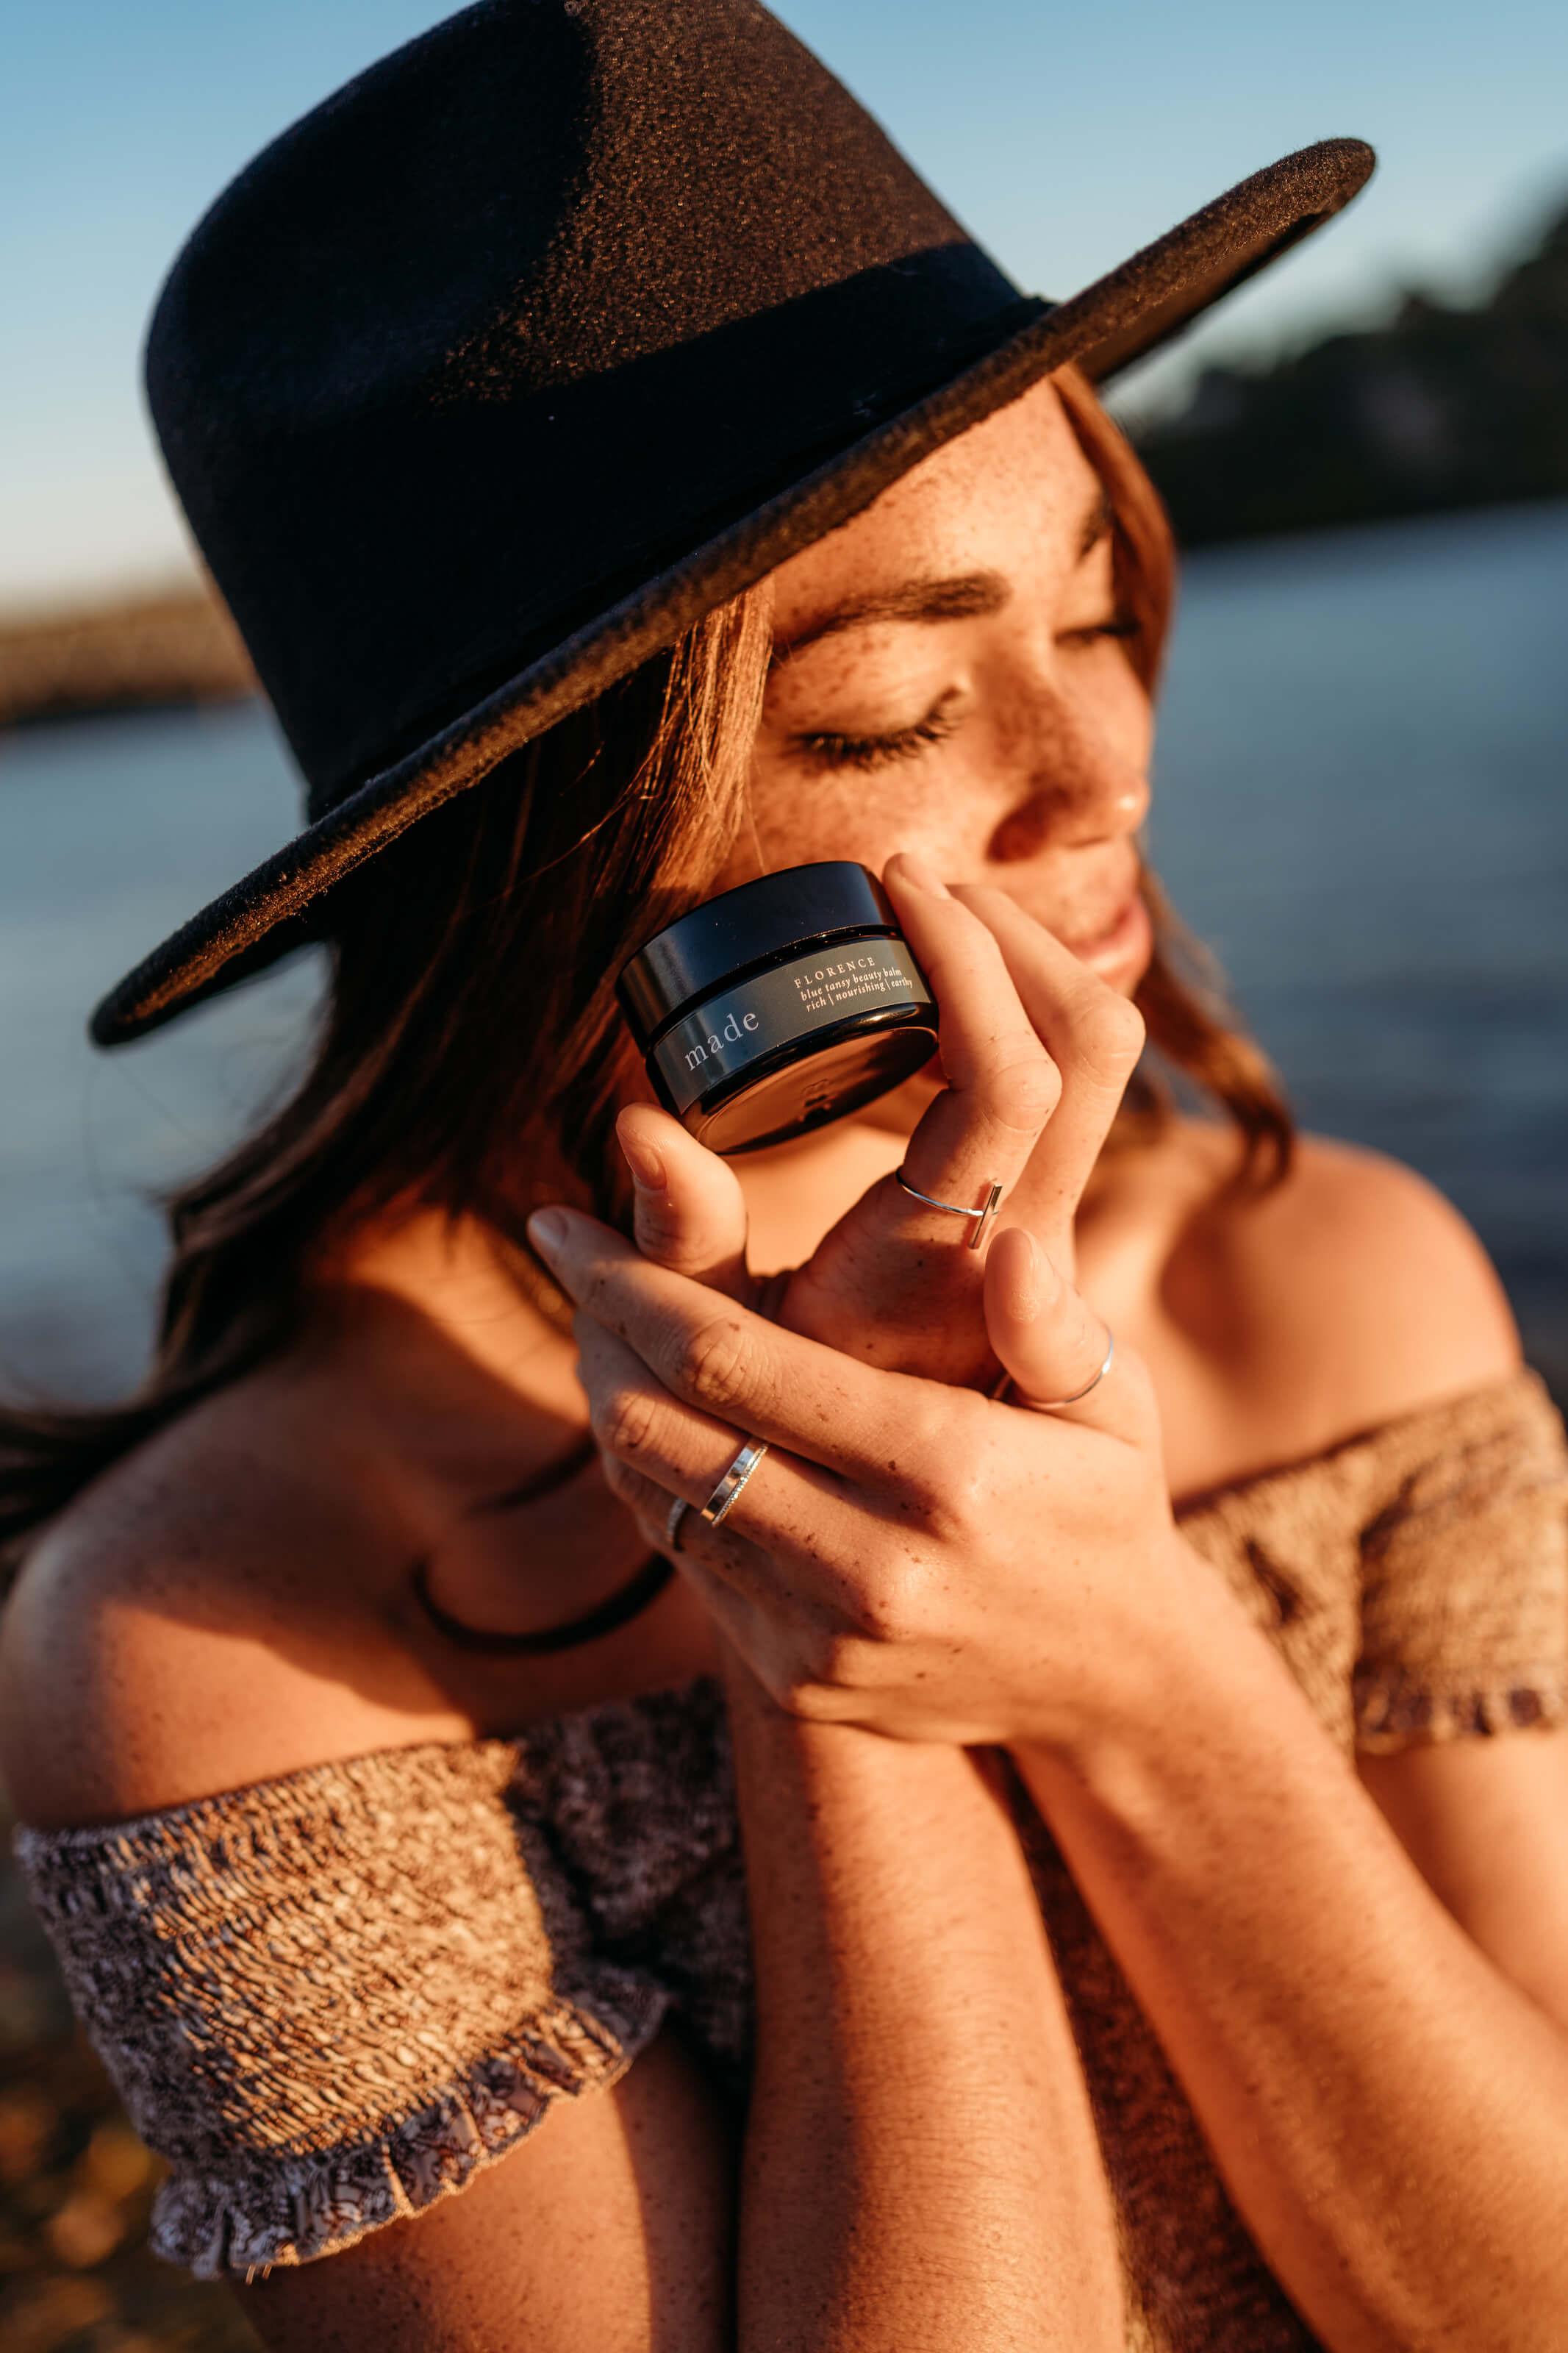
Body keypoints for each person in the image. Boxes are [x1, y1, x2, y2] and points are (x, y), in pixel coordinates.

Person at [3, 4, 1567, 2349]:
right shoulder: (232, 1636)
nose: (1102, 770)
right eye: (890, 710)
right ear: (521, 839)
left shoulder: (1328, 1289)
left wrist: (1151, 1684)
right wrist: (825, 1626)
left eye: (1099, 610)